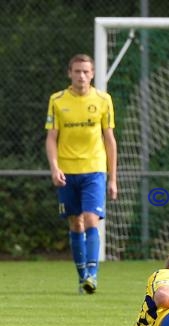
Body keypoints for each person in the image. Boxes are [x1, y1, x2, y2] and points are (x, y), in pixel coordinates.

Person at [45, 54, 118, 294]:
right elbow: (52, 138)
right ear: (70, 73)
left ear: (93, 73)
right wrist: (55, 167)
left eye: (86, 71)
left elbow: (109, 140)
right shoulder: (57, 100)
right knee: (75, 224)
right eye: (77, 71)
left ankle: (93, 275)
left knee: (90, 220)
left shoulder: (103, 100)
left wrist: (112, 177)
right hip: (67, 171)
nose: (82, 76)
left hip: (94, 170)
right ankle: (82, 277)